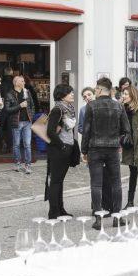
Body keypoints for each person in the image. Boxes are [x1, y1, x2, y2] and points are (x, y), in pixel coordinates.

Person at [81, 77, 131, 226]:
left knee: (96, 184)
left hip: (95, 149)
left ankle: (98, 219)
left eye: (96, 89)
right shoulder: (119, 107)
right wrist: (118, 140)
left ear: (100, 90)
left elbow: (86, 131)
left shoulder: (91, 106)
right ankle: (117, 217)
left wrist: (84, 151)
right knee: (116, 183)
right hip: (113, 149)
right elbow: (126, 130)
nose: (95, 91)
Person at [45, 84, 78, 219]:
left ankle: (61, 209)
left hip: (67, 147)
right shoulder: (57, 110)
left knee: (60, 181)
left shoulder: (69, 109)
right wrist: (62, 146)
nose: (72, 95)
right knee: (56, 181)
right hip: (59, 150)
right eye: (69, 93)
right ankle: (53, 212)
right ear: (61, 95)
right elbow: (50, 132)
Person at [4, 74, 35, 174]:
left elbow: (32, 105)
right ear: (16, 83)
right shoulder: (9, 94)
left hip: (27, 122)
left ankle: (28, 165)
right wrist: (20, 106)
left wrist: (31, 116)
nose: (24, 83)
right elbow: (7, 110)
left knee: (27, 144)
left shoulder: (27, 92)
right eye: (22, 81)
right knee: (16, 144)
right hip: (16, 122)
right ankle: (17, 163)